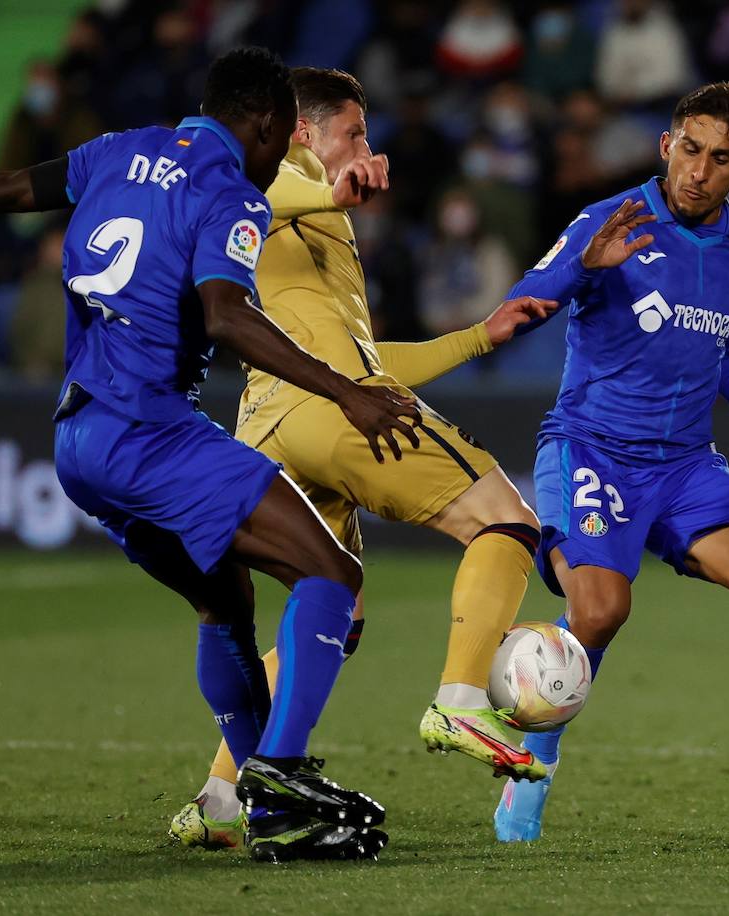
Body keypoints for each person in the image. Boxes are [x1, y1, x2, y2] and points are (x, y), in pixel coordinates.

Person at [0, 47, 421, 864]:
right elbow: (226, 315)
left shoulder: (117, 150)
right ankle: (282, 782)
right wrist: (346, 391)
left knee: (224, 603)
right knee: (333, 575)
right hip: (150, 432)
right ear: (260, 123)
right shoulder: (229, 192)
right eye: (282, 134)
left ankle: (257, 793)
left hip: (79, 440)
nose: (281, 150)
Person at [167, 66, 558, 850]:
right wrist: (329, 192)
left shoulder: (317, 218)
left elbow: (364, 356)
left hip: (274, 425)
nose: (365, 148)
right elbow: (241, 203)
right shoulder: (265, 180)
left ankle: (220, 795)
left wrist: (480, 336)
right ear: (302, 131)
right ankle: (458, 696)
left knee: (333, 609)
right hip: (330, 410)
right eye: (354, 131)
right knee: (507, 521)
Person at [488, 82, 729, 841]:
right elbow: (522, 304)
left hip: (685, 465)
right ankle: (527, 776)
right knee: (599, 611)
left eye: (720, 158)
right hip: (592, 448)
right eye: (689, 150)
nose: (698, 170)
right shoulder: (612, 219)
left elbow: (728, 360)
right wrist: (581, 273)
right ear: (667, 145)